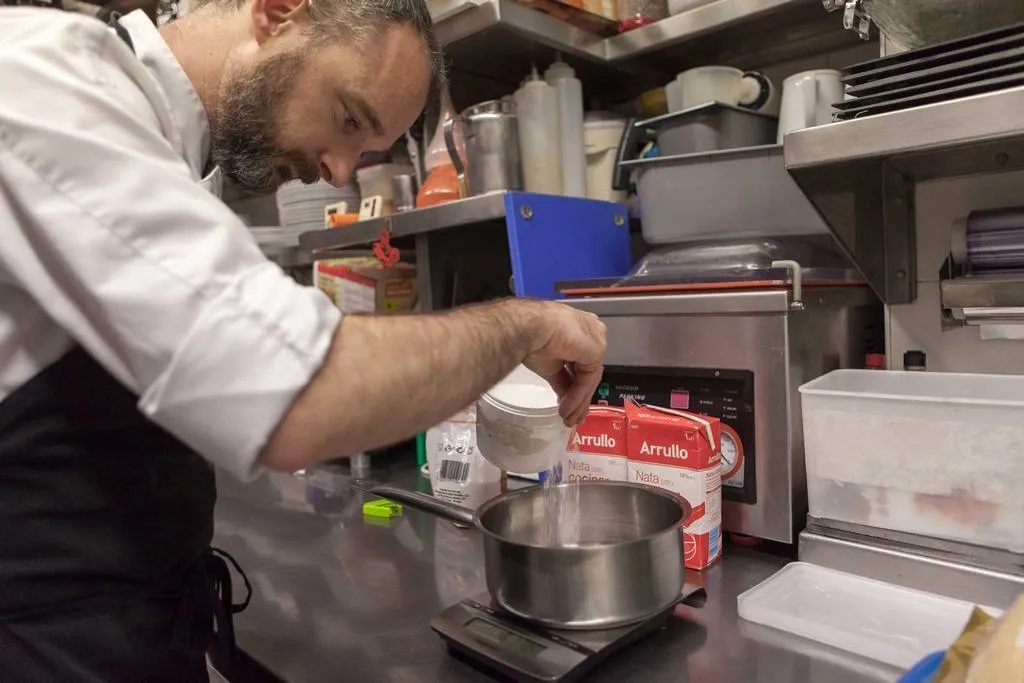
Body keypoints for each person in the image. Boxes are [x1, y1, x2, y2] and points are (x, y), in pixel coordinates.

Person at [0, 0, 607, 679]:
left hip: (117, 626)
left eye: (365, 150)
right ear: (280, 12)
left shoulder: (163, 146)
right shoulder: (49, 81)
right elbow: (300, 394)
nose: (339, 171)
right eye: (349, 118)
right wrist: (526, 321)